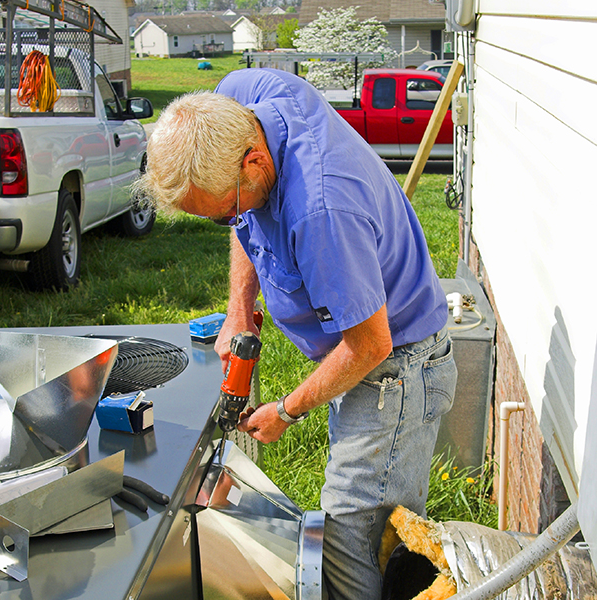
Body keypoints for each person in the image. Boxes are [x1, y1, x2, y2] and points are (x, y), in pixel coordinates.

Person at [140, 67, 458, 600]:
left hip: (394, 373)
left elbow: (369, 346)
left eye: (227, 212)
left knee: (354, 543)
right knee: (355, 533)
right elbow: (245, 220)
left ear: (255, 161)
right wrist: (240, 304)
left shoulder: (322, 212)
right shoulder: (242, 101)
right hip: (366, 356)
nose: (233, 223)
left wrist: (287, 409)